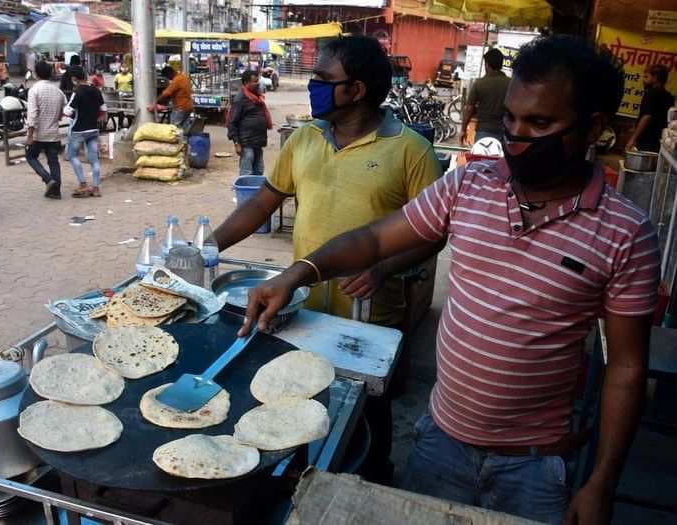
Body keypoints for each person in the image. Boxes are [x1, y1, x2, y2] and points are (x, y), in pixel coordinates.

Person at [238, 36, 660, 525]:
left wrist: (601, 483)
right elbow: (375, 240)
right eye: (511, 120)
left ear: (594, 127)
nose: (518, 137)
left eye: (540, 123)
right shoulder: (469, 186)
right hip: (440, 442)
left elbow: (626, 369)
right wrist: (298, 273)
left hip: (536, 465)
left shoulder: (627, 233)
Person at [213, 35, 442, 483]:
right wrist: (207, 246)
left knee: (367, 406)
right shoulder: (303, 139)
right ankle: (302, 473)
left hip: (369, 312)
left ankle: (373, 477)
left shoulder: (412, 150)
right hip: (300, 302)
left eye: (322, 78)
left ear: (356, 90)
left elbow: (433, 233)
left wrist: (384, 267)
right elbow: (262, 204)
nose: (313, 85)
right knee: (298, 395)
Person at [25, 61, 67, 200]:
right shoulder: (58, 91)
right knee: (53, 161)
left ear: (36, 74)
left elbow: (32, 114)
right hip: (53, 133)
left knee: (30, 156)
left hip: (39, 134)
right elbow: (62, 113)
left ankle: (48, 180)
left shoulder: (34, 90)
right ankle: (56, 191)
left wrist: (30, 135)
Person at [64, 67, 106, 198]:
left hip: (79, 130)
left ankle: (83, 184)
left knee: (72, 155)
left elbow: (68, 111)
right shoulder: (96, 90)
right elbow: (103, 109)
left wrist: (65, 107)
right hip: (93, 129)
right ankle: (96, 187)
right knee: (94, 159)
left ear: (74, 79)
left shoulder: (77, 92)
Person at [227, 70, 273, 177]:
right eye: (255, 81)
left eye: (258, 81)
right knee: (246, 173)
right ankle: (245, 193)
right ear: (246, 83)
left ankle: (256, 193)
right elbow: (232, 123)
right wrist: (236, 143)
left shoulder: (257, 96)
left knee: (259, 172)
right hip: (246, 143)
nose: (258, 83)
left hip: (258, 142)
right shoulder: (240, 99)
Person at [460, 48, 510, 144]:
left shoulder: (479, 83)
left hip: (483, 132)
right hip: (504, 132)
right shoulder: (511, 83)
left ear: (487, 65)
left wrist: (463, 129)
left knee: (482, 158)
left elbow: (469, 109)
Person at [626, 64, 675, 152]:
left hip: (647, 141)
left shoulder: (650, 94)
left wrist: (632, 139)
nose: (643, 80)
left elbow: (646, 117)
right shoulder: (670, 97)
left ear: (655, 78)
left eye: (646, 77)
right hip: (661, 142)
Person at [151, 66, 193, 132]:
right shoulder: (183, 77)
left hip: (180, 107)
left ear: (170, 73)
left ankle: (176, 141)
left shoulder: (177, 80)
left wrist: (155, 102)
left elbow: (166, 93)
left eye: (167, 77)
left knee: (174, 128)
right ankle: (184, 141)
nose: (168, 79)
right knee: (184, 128)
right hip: (188, 106)